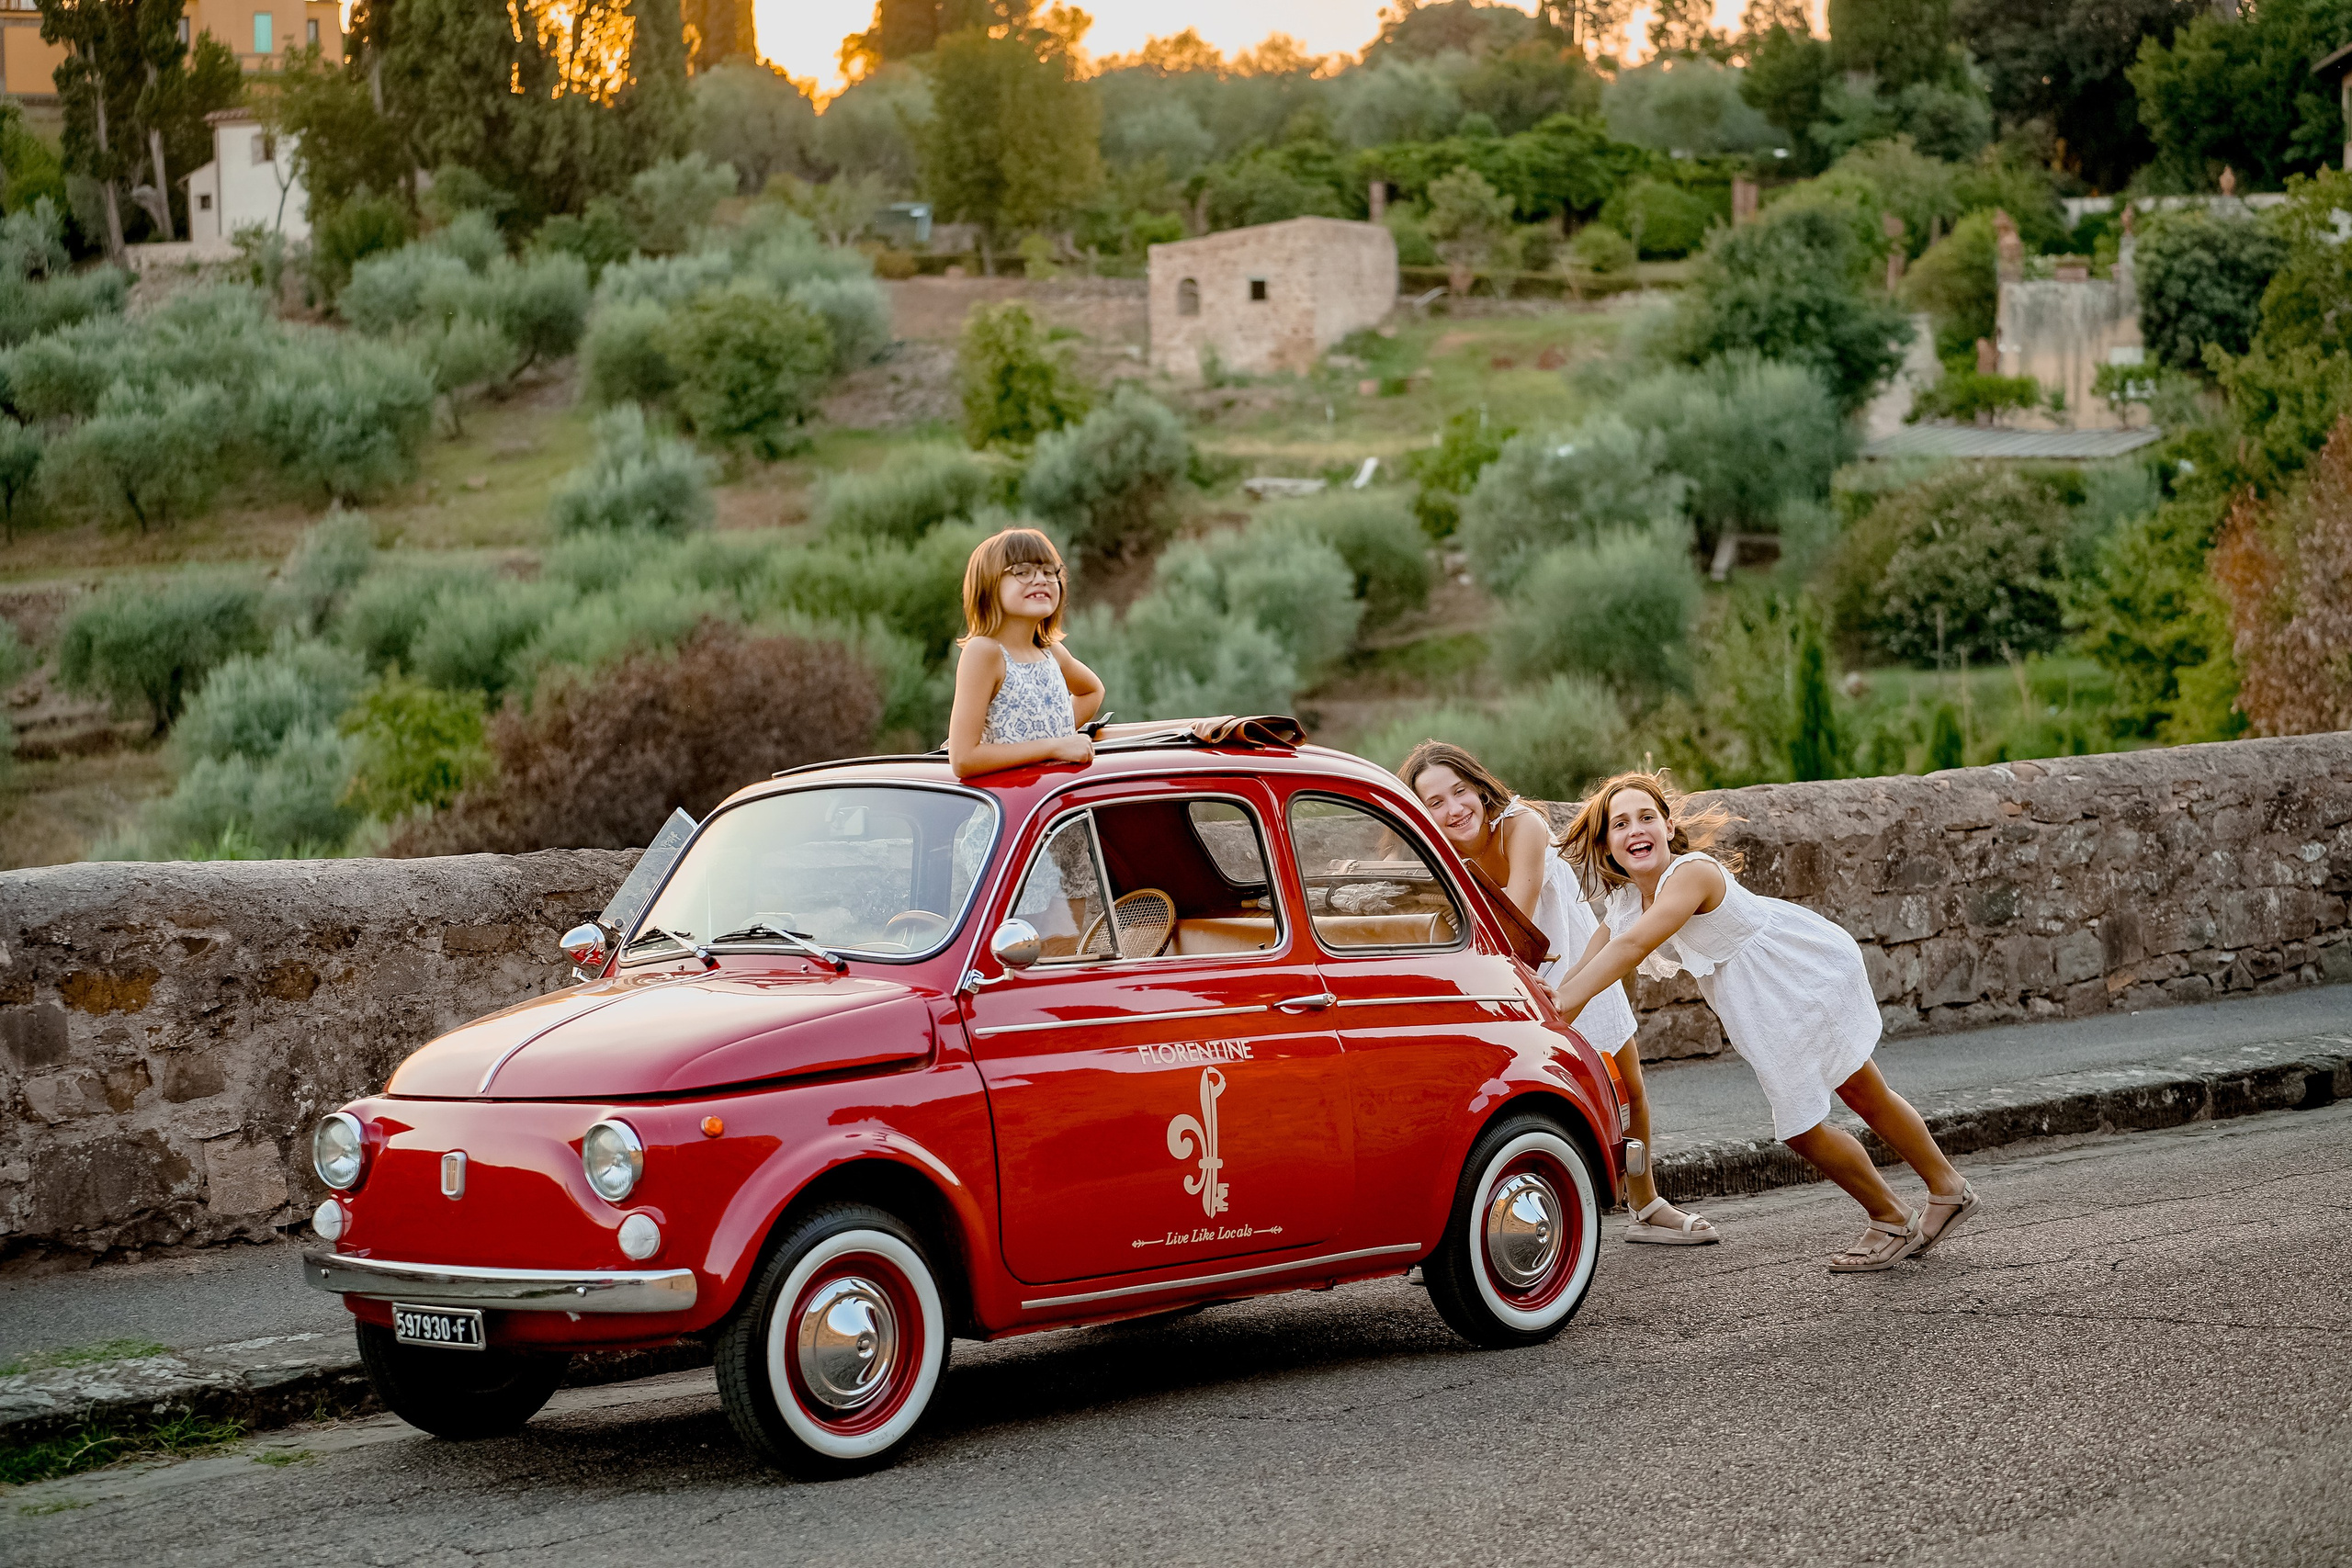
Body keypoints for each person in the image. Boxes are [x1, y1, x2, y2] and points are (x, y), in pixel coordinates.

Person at [1549, 771, 1979, 1272]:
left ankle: (1890, 1217)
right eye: (1619, 823)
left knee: (1802, 1124)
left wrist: (1561, 1007)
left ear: (1668, 826)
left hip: (1791, 980)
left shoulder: (1692, 873)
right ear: (1606, 844)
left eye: (1646, 816)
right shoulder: (1625, 901)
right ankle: (1947, 1189)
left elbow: (1632, 947)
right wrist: (1550, 1008)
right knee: (1862, 1091)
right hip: (1761, 999)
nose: (1635, 829)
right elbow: (1587, 962)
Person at [1400, 742, 1720, 1246]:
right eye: (1434, 803)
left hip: (1571, 963)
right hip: (1496, 980)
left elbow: (1515, 919)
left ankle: (1645, 1203)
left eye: (1459, 791)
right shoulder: (1436, 852)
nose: (1453, 809)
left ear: (1480, 788)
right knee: (1489, 1106)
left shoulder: (1520, 824)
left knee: (1625, 1086)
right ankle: (1461, 1234)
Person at [947, 527, 1105, 780]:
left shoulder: (1052, 652)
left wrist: (1054, 738)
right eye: (1022, 572)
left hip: (1055, 807)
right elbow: (963, 759)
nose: (1041, 579)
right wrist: (1053, 746)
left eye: (1048, 571)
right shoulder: (985, 652)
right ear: (988, 585)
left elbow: (1092, 692)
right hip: (1012, 812)